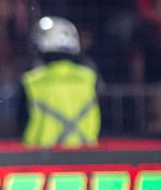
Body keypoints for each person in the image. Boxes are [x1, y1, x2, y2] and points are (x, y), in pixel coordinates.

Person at [19, 16, 100, 148]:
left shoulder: (32, 81)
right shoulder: (89, 78)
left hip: (40, 159)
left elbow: (21, 125)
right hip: (85, 157)